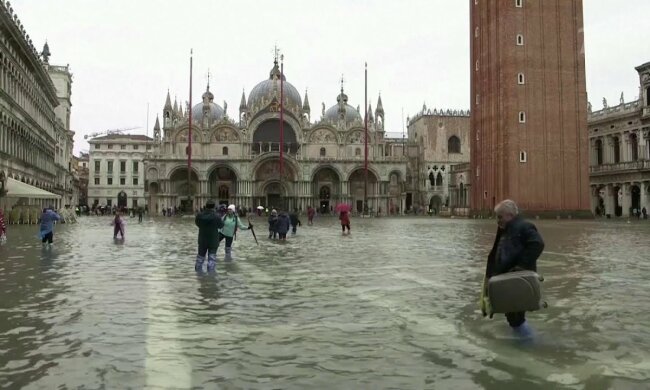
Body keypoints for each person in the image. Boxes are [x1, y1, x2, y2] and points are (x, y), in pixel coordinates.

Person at [485, 199, 544, 336]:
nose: (497, 220)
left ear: (510, 215)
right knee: (512, 316)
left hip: (516, 280)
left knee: (516, 318)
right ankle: (525, 343)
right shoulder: (506, 230)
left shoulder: (524, 226)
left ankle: (530, 345)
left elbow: (537, 244)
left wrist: (521, 267)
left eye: (500, 217)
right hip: (508, 279)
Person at [195, 200, 224, 273]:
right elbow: (221, 226)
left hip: (202, 240)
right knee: (212, 259)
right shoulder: (217, 216)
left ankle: (198, 276)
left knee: (200, 258)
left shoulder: (199, 215)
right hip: (213, 240)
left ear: (206, 206)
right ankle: (211, 279)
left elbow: (197, 224)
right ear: (214, 207)